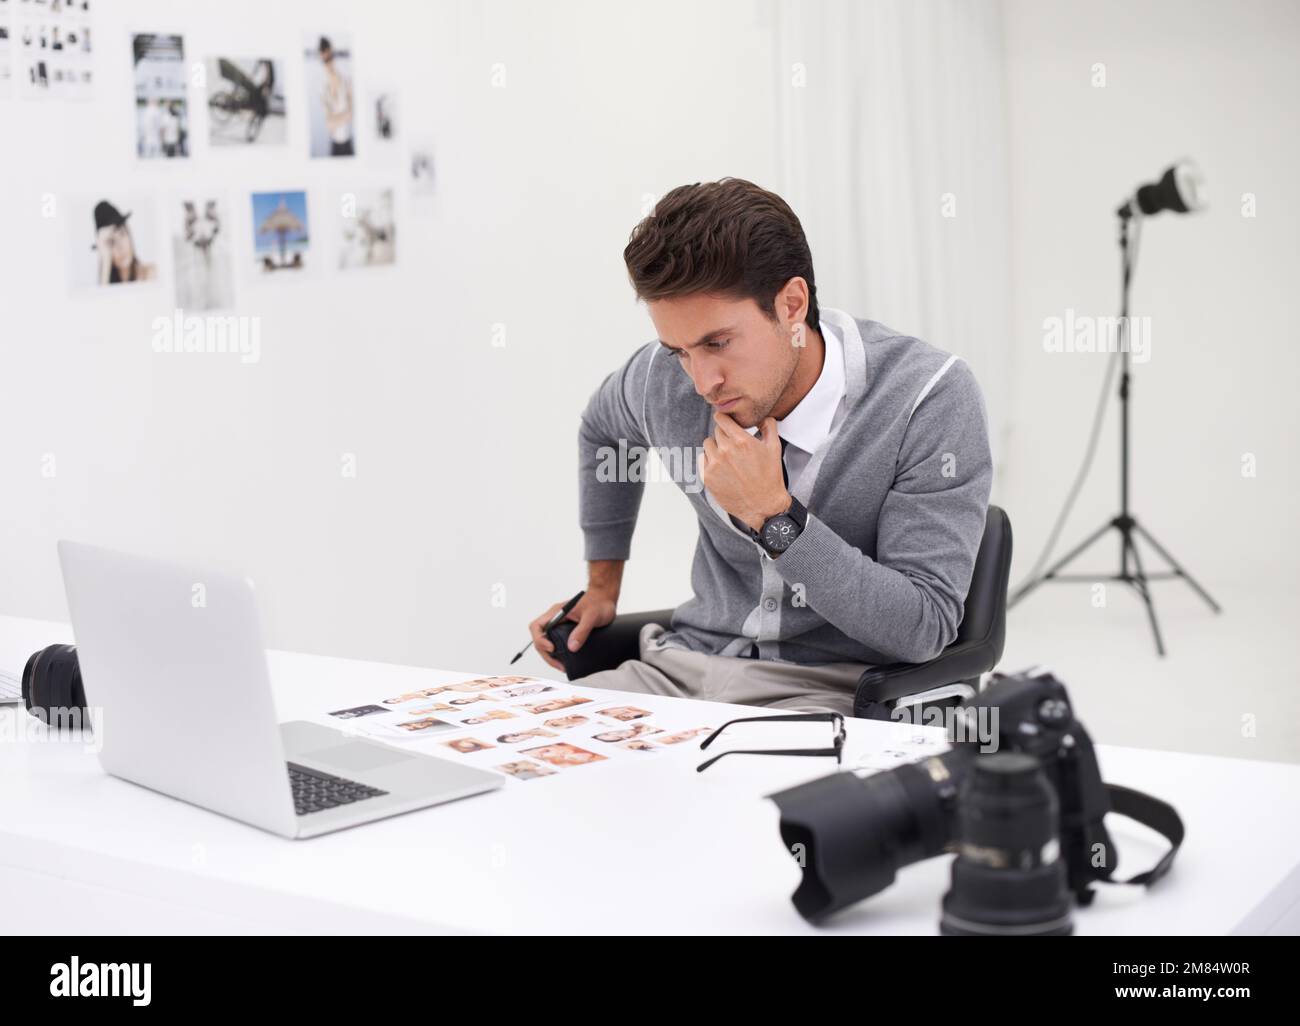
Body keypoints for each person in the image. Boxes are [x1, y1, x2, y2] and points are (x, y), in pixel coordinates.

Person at [528, 178, 992, 715]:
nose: (702, 381)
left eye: (718, 343)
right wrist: (602, 585)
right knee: (518, 753)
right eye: (679, 350)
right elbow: (603, 429)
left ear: (792, 305)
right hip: (680, 672)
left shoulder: (925, 397)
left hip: (834, 695)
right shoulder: (665, 379)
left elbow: (922, 627)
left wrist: (775, 517)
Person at [93, 201, 155, 284]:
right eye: (111, 242)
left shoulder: (152, 275)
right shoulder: (105, 282)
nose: (120, 248)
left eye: (122, 234)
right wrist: (105, 261)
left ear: (129, 234)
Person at [318, 37, 353, 157]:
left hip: (348, 143)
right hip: (335, 146)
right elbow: (329, 125)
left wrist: (336, 119)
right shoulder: (323, 89)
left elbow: (351, 115)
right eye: (325, 60)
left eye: (330, 57)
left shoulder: (346, 80)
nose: (328, 63)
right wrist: (343, 116)